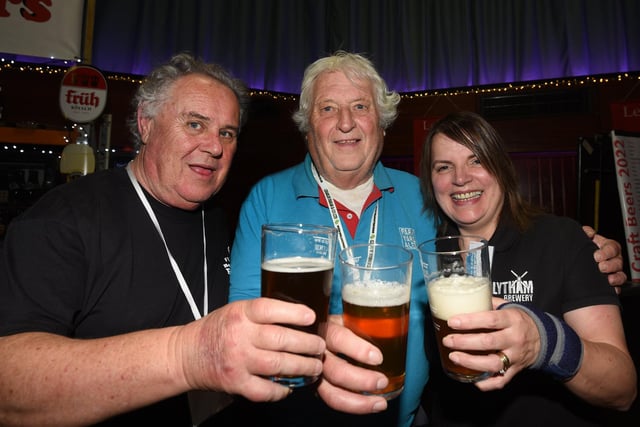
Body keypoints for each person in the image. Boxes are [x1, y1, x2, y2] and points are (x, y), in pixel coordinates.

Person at [227, 51, 627, 427]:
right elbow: (244, 328)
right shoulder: (266, 197)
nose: (345, 122)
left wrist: (587, 247)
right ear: (308, 124)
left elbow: (484, 230)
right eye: (328, 108)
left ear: (381, 123)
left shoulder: (419, 198)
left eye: (361, 107)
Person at [0, 53, 327, 426]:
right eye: (194, 124)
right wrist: (188, 356)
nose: (214, 146)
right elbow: (9, 385)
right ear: (147, 124)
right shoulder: (64, 220)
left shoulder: (220, 216)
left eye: (226, 132)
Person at [418, 111, 637, 426]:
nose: (460, 178)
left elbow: (622, 389)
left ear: (502, 168)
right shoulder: (430, 252)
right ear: (431, 181)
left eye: (476, 160)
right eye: (444, 167)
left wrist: (544, 344)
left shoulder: (561, 239)